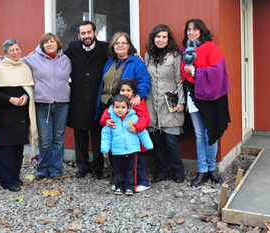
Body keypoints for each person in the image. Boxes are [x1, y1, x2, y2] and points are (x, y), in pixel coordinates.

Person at [96, 32, 151, 192]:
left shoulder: (136, 62)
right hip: (110, 107)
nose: (120, 45)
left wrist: (139, 95)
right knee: (115, 145)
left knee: (133, 148)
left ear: (129, 45)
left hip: (127, 109)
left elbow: (145, 81)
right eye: (117, 43)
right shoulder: (109, 62)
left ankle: (139, 180)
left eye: (124, 43)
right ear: (113, 46)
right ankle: (119, 180)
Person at [181, 19, 231, 187]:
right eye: (189, 29)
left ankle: (211, 169)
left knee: (210, 133)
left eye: (195, 29)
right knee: (199, 134)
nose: (191, 32)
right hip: (193, 97)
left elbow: (218, 72)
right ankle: (202, 170)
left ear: (201, 31)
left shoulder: (211, 47)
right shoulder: (186, 50)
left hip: (210, 98)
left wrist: (195, 71)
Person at [21, 33, 71, 179]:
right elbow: (15, 62)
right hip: (43, 104)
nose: (49, 44)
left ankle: (55, 169)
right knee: (45, 139)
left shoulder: (66, 59)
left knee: (58, 138)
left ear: (58, 44)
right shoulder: (33, 59)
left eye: (52, 42)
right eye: (46, 42)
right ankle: (43, 168)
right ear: (42, 45)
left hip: (62, 104)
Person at [65, 22, 109, 179]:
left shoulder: (105, 48)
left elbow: (121, 54)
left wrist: (135, 54)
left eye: (89, 32)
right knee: (80, 135)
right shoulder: (73, 48)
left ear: (95, 33)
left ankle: (98, 167)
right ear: (79, 36)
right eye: (83, 33)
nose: (86, 36)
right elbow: (55, 57)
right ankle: (82, 166)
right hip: (78, 99)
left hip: (98, 99)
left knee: (98, 134)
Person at [144, 24, 185, 184]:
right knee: (157, 140)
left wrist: (181, 101)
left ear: (168, 39)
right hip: (152, 101)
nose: (160, 40)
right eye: (158, 37)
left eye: (164, 37)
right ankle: (161, 171)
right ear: (153, 38)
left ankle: (178, 172)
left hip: (170, 99)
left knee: (171, 140)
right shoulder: (148, 56)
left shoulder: (174, 56)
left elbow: (179, 79)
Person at [0, 39, 37, 192]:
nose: (15, 52)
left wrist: (26, 96)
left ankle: (15, 176)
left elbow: (28, 88)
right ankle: (7, 181)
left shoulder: (25, 67)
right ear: (5, 53)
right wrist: (9, 99)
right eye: (11, 50)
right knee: (6, 148)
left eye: (17, 49)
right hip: (5, 112)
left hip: (21, 112)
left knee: (18, 148)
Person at [100, 95, 154, 196]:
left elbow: (142, 132)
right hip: (117, 151)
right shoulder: (110, 121)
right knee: (118, 170)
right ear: (112, 107)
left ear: (128, 108)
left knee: (131, 170)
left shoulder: (134, 118)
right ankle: (119, 186)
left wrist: (148, 144)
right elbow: (106, 136)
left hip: (132, 150)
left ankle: (130, 187)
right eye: (117, 107)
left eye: (123, 107)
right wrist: (105, 149)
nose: (119, 110)